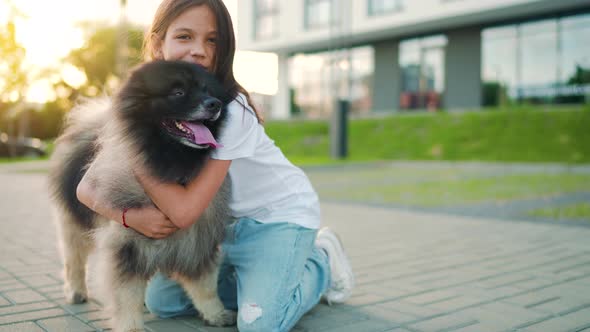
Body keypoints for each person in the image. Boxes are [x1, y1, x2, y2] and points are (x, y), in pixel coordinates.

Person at [75, 0, 354, 331]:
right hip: (224, 227)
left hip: (277, 219)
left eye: (212, 40)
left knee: (260, 325)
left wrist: (132, 148)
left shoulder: (229, 109)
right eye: (184, 37)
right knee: (164, 304)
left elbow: (182, 214)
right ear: (157, 43)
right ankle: (258, 277)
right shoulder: (148, 103)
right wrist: (130, 217)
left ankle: (320, 261)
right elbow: (85, 189)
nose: (199, 50)